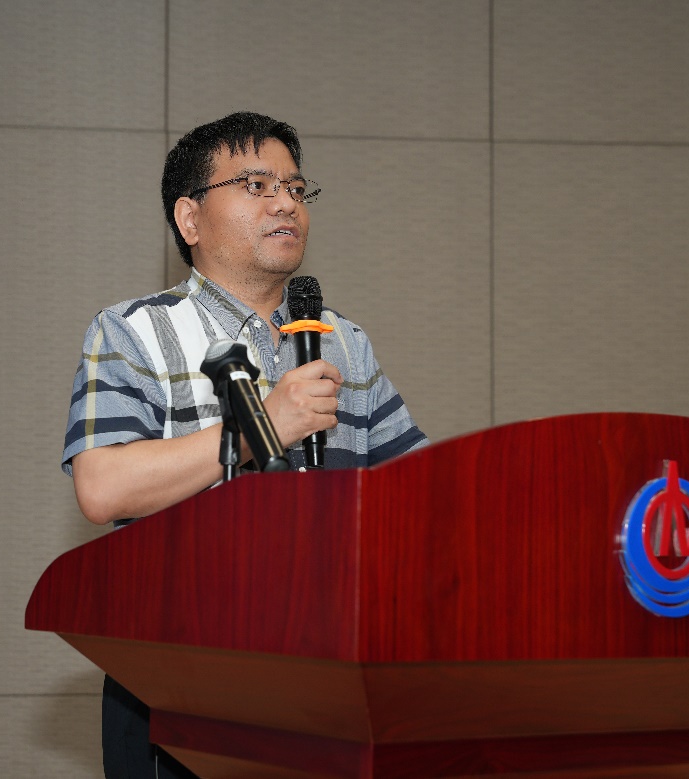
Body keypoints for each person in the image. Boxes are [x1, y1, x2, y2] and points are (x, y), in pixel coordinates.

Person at [61, 111, 426, 778]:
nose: (285, 202)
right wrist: (264, 426)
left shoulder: (343, 341)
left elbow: (419, 494)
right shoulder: (132, 331)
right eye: (256, 185)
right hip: (177, 676)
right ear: (190, 219)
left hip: (329, 673)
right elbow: (102, 486)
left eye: (295, 187)